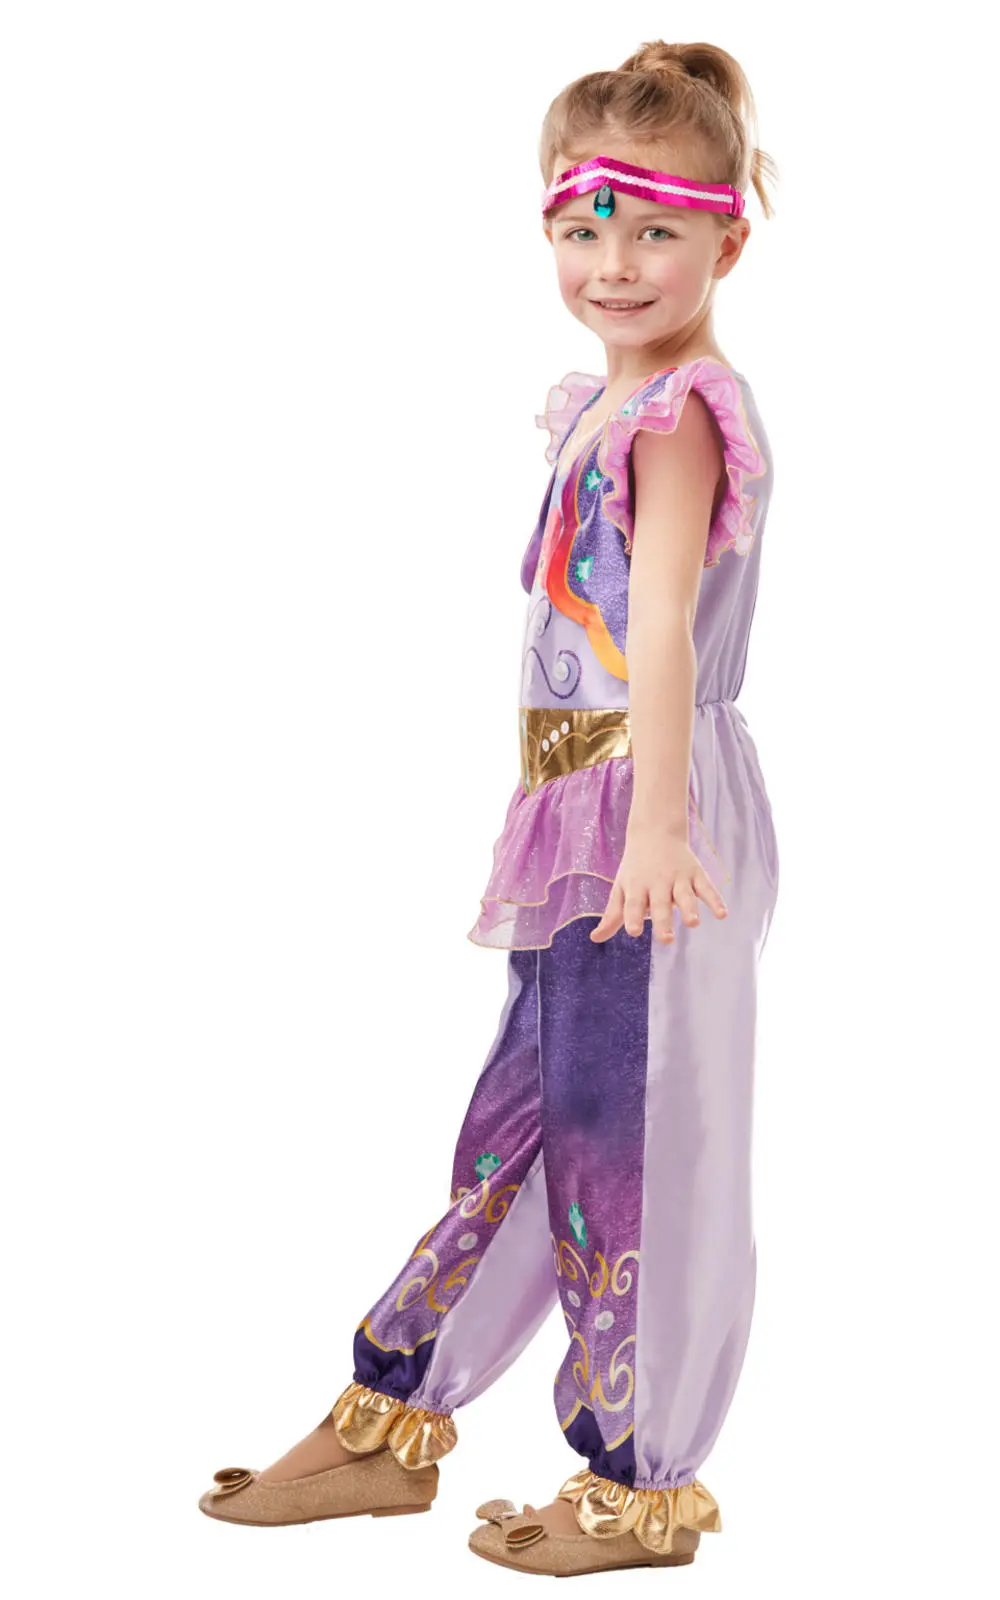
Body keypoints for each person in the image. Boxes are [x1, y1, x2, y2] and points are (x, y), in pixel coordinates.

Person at [198, 36, 781, 1580]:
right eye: (583, 227)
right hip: (582, 808)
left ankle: (637, 1481)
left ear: (728, 237)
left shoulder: (683, 413)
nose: (614, 262)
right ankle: (391, 1413)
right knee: (525, 1127)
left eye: (654, 228)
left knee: (631, 1139)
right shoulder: (603, 402)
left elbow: (664, 625)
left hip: (647, 817)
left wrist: (655, 825)